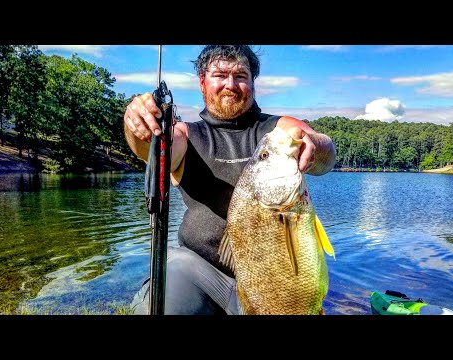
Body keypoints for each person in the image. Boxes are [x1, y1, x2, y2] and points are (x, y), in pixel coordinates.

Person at [124, 45, 336, 315]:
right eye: (220, 75)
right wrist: (137, 124)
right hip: (202, 273)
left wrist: (316, 144)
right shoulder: (186, 134)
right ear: (202, 82)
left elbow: (324, 153)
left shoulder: (276, 129)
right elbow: (150, 147)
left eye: (241, 76)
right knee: (171, 270)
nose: (230, 84)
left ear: (253, 82)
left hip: (270, 282)